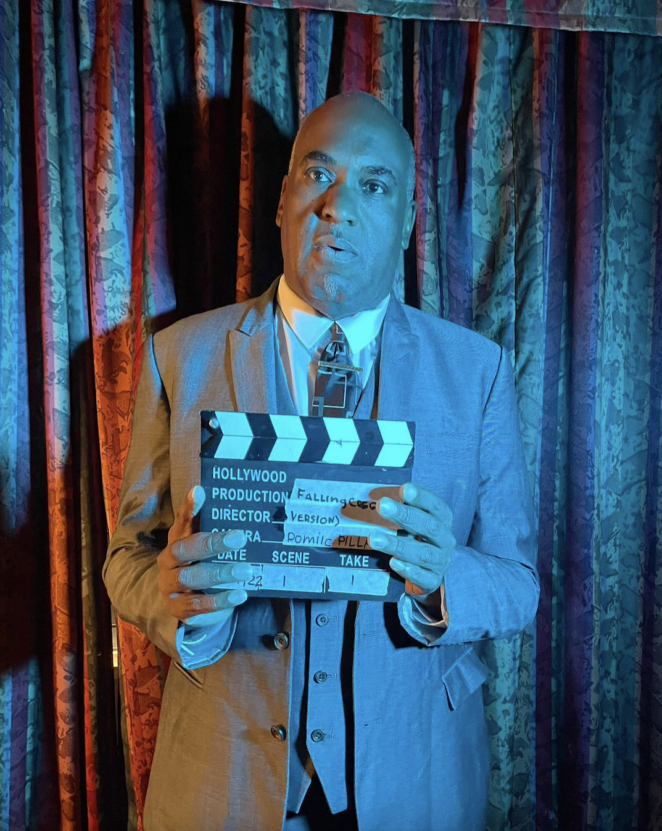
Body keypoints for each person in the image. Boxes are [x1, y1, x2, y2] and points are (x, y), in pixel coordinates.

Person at [104, 91, 539, 831]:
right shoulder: (179, 356)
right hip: (225, 775)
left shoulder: (478, 372)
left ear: (406, 223)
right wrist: (174, 595)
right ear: (280, 201)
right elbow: (126, 558)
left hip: (413, 776)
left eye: (374, 185)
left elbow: (519, 584)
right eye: (317, 174)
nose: (337, 206)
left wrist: (443, 577)